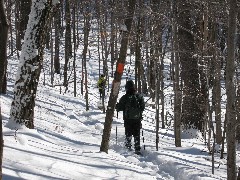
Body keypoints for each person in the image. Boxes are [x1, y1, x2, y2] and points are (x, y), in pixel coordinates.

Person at [116, 80, 145, 155]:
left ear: (127, 88)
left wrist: (117, 106)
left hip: (127, 119)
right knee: (137, 134)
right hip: (137, 119)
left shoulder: (125, 97)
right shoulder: (139, 96)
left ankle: (128, 148)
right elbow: (142, 107)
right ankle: (137, 149)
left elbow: (119, 108)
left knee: (128, 133)